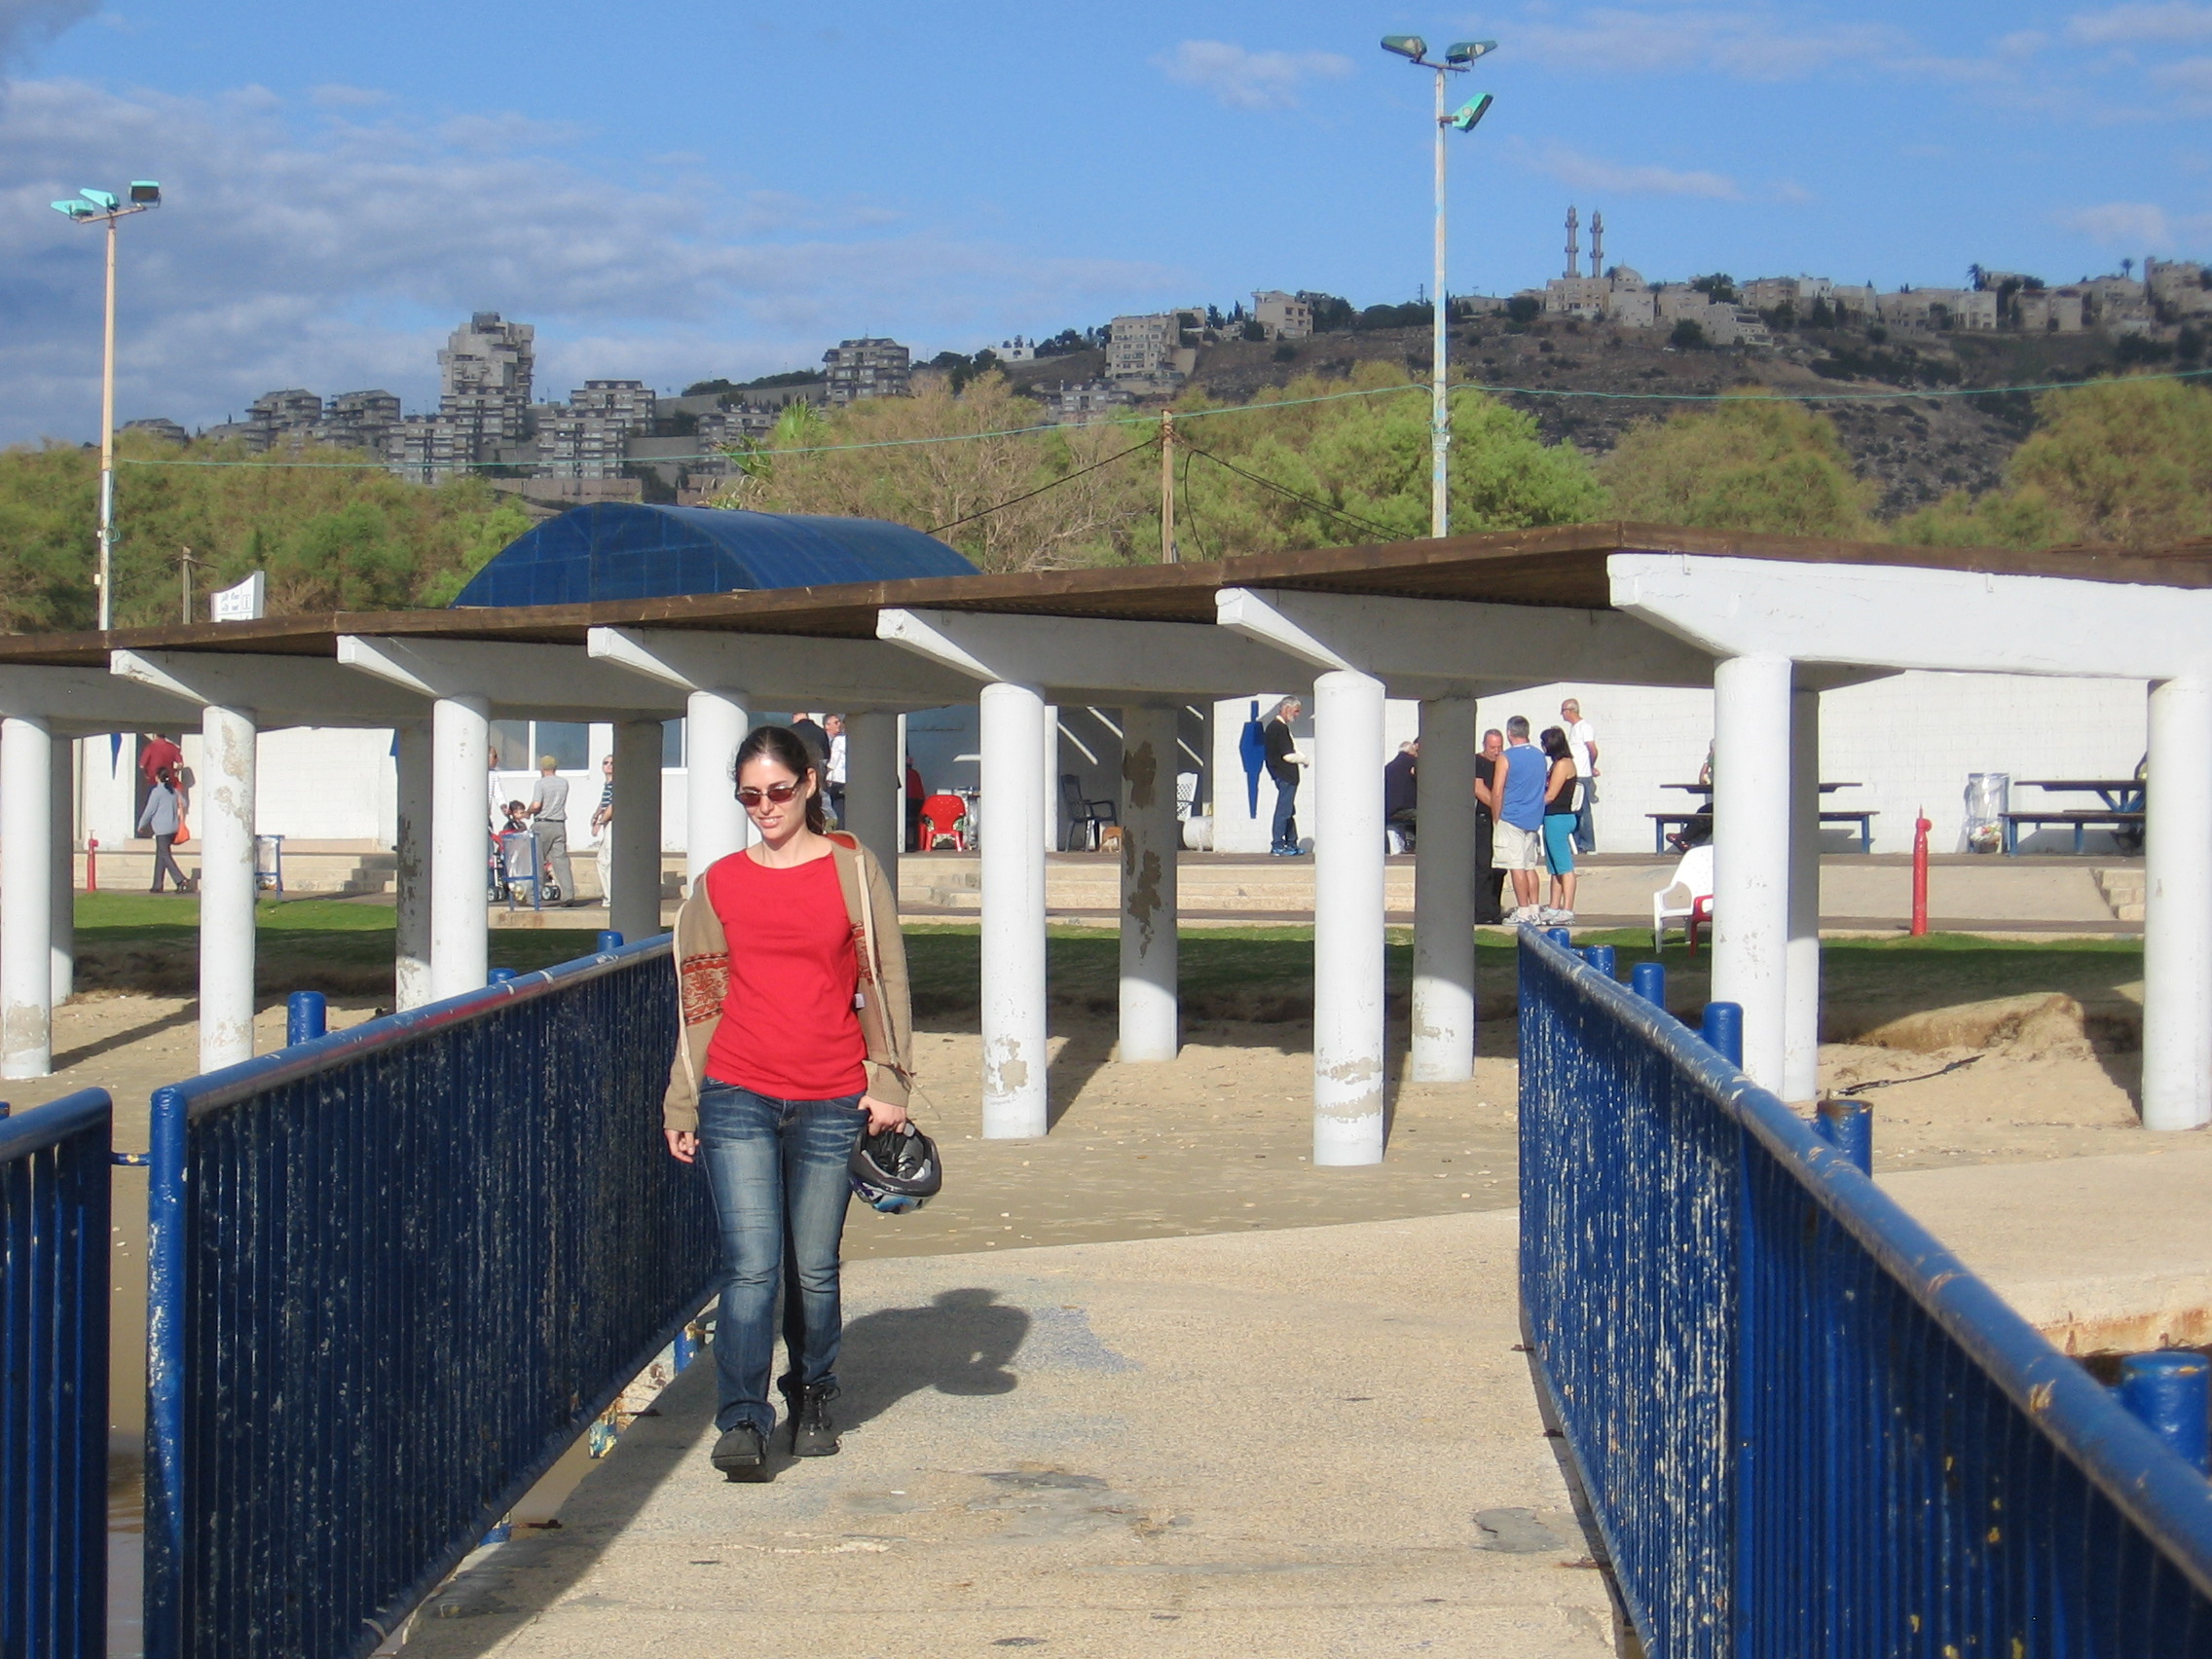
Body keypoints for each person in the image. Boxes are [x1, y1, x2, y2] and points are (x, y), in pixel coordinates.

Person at [662, 725, 915, 1483]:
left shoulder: (852, 869)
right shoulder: (720, 883)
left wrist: (890, 1081)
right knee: (750, 1267)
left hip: (832, 1094)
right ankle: (742, 1419)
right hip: (736, 1090)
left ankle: (811, 1394)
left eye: (777, 791)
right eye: (749, 796)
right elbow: (700, 1001)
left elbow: (886, 976)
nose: (765, 807)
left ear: (808, 783)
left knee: (813, 1268)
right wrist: (682, 1102)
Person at [1494, 716, 1549, 923]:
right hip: (1532, 817)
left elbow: (1497, 790)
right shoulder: (1539, 756)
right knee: (1529, 866)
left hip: (1512, 816)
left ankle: (1524, 911)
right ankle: (1534, 908)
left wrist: (1496, 817)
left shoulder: (1505, 757)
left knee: (1516, 866)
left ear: (1509, 733)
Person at [1538, 726, 1581, 924]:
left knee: (1564, 866)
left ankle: (1568, 909)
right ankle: (1554, 907)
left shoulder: (1563, 764)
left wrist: (1528, 806)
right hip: (1552, 818)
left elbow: (1550, 795)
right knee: (1554, 867)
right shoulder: (1557, 763)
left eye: (1544, 743)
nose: (1543, 747)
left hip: (1559, 817)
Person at [526, 756, 576, 904]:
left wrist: (528, 812)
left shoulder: (540, 783)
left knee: (537, 860)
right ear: (555, 767)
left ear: (542, 768)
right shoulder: (563, 783)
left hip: (543, 824)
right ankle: (568, 894)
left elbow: (536, 805)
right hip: (559, 824)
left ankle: (534, 896)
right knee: (561, 861)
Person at [1263, 697, 1309, 857]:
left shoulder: (1276, 727)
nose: (1297, 715)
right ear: (1287, 709)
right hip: (1285, 775)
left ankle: (1291, 842)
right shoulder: (1279, 728)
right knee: (1284, 810)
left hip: (1281, 774)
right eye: (1296, 711)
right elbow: (1288, 755)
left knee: (1289, 809)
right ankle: (1277, 844)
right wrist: (1304, 760)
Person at [1472, 727, 1507, 924]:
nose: (1496, 751)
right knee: (1483, 866)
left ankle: (1494, 910)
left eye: (1499, 747)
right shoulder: (1478, 762)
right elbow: (1479, 788)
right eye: (1493, 747)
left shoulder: (1504, 762)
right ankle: (1481, 911)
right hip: (1484, 819)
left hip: (1502, 820)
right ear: (1485, 745)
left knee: (1500, 867)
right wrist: (1497, 807)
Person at [137, 766, 190, 894]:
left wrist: (141, 824)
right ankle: (157, 884)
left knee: (165, 856)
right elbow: (184, 803)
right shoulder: (173, 791)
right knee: (161, 855)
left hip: (162, 829)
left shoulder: (157, 792)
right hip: (173, 828)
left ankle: (180, 879)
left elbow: (149, 810)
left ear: (157, 778)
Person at [1561, 697, 1599, 855]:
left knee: (1583, 811)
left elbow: (1593, 750)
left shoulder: (1584, 727)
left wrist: (1590, 766)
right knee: (1575, 810)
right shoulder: (1574, 728)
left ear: (1571, 711)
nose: (1562, 714)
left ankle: (1588, 844)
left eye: (1563, 711)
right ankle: (1577, 844)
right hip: (1576, 775)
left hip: (1582, 776)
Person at [1382, 740, 1419, 853]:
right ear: (1411, 752)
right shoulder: (1414, 763)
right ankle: (1411, 844)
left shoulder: (1388, 767)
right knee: (1425, 816)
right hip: (1405, 810)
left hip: (1388, 812)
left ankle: (1406, 845)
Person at [591, 754, 616, 908]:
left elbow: (612, 806)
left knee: (607, 860)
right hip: (606, 823)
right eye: (605, 763)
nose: (608, 765)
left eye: (612, 763)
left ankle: (612, 896)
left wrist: (600, 822)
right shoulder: (607, 784)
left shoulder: (615, 784)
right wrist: (596, 815)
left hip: (612, 823)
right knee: (601, 860)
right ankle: (608, 895)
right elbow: (604, 803)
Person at [825, 715, 847, 828]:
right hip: (849, 778)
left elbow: (834, 760)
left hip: (838, 779)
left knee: (839, 809)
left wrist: (827, 773)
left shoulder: (839, 740)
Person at [905, 758, 925, 853]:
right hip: (916, 801)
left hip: (909, 801)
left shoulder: (909, 774)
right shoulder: (914, 774)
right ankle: (916, 843)